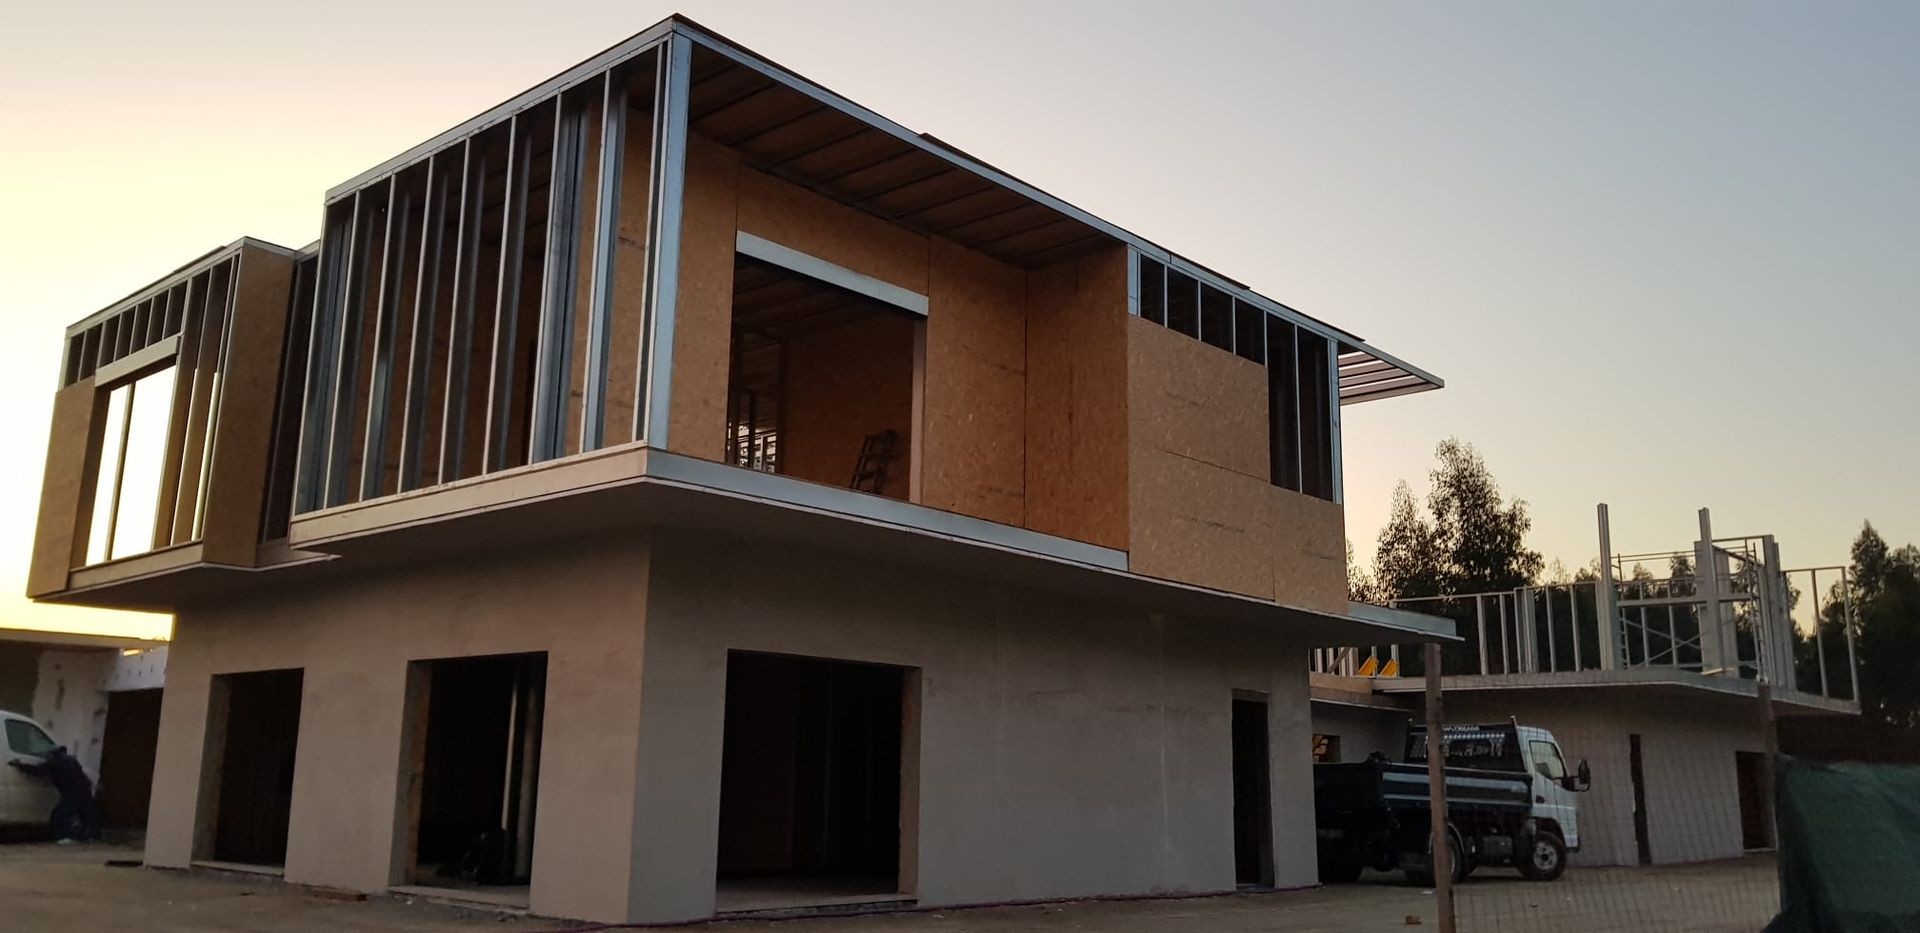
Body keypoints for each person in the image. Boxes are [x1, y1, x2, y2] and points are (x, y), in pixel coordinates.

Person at [10, 745, 98, 843]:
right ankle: (90, 837)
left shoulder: (54, 763)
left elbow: (37, 771)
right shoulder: (72, 760)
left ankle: (65, 837)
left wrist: (20, 765)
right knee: (86, 814)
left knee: (61, 814)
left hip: (72, 792)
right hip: (85, 790)